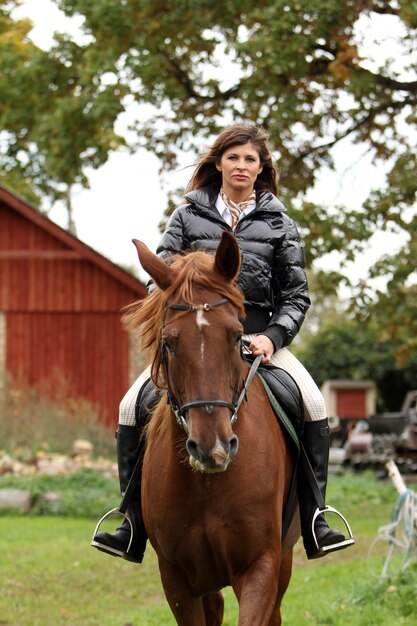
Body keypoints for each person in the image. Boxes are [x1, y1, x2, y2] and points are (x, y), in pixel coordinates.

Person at [91, 123, 354, 563]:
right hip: (197, 340)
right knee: (129, 405)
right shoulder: (186, 215)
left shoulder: (278, 222)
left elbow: (296, 296)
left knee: (312, 403)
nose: (241, 165)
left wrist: (272, 338)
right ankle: (131, 521)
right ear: (218, 163)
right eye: (233, 157)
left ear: (260, 168)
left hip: (257, 338)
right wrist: (172, 320)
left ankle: (315, 519)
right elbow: (161, 281)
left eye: (250, 159)